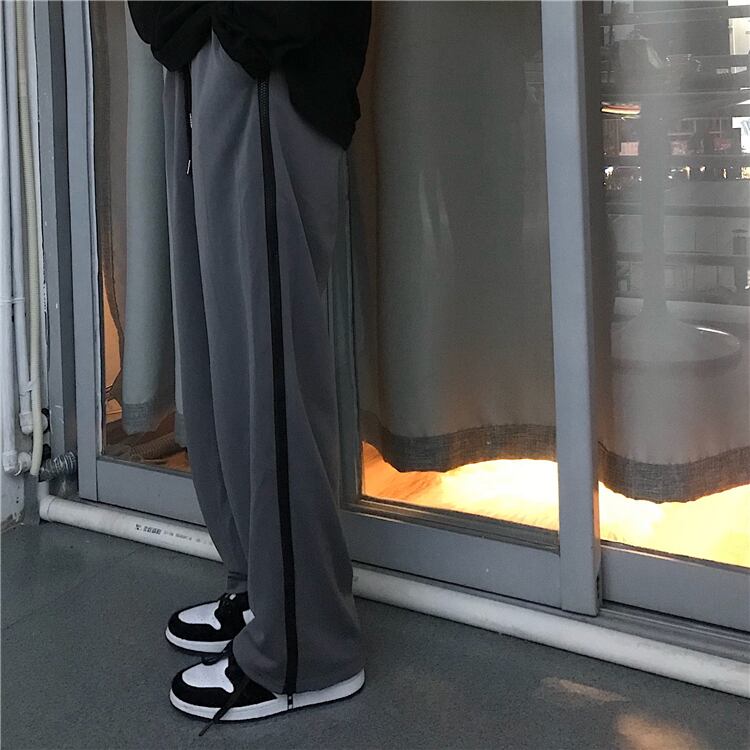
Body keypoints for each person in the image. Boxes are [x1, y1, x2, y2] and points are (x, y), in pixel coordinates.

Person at [128, 1, 371, 731]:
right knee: (222, 356)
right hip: (208, 52)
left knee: (269, 371)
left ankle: (306, 648)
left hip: (265, 62)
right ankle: (260, 589)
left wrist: (240, 33)